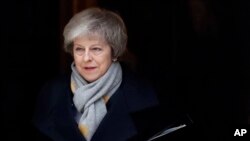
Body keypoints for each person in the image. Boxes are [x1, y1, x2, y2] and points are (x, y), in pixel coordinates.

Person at [32, 7, 164, 141]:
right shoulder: (51, 93)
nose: (86, 58)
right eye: (79, 49)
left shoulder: (145, 95)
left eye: (96, 49)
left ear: (114, 53)